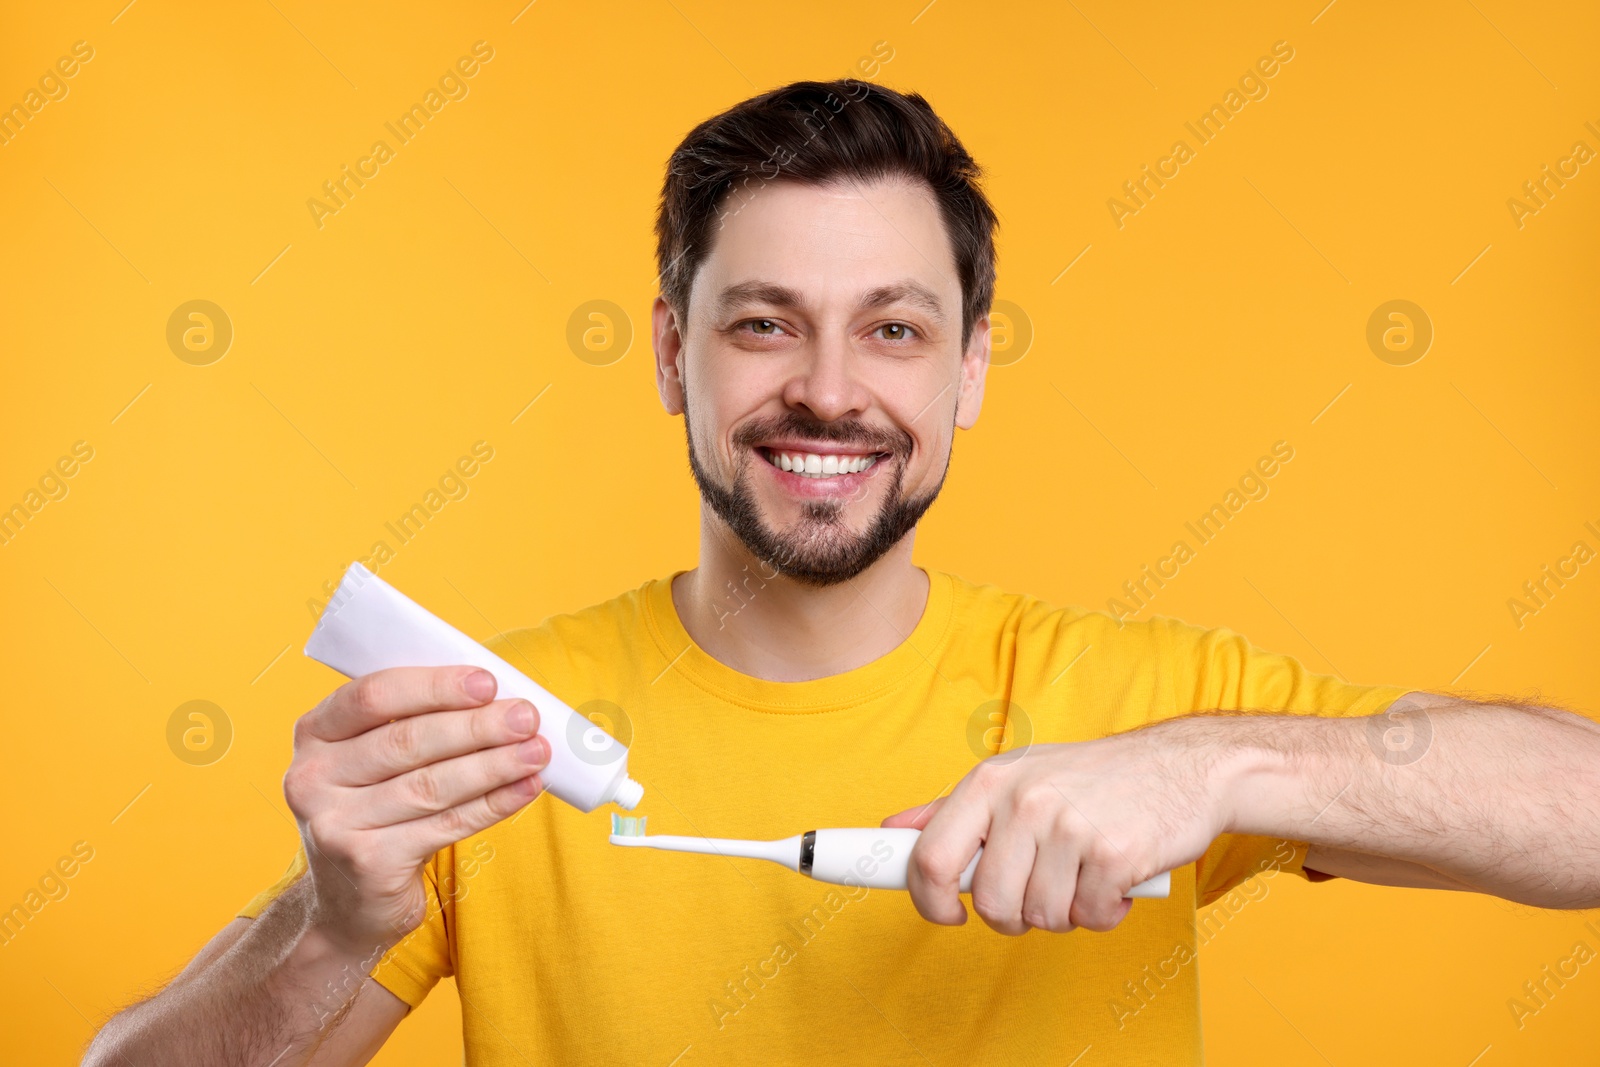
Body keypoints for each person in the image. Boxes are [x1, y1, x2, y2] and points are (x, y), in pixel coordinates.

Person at [84, 78, 1600, 1067]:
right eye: (761, 325)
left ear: (969, 369)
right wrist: (331, 925)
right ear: (673, 356)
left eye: (893, 328)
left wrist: (1215, 769)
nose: (827, 390)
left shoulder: (1135, 704)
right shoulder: (502, 738)